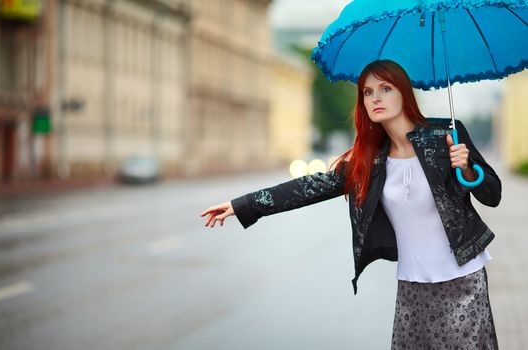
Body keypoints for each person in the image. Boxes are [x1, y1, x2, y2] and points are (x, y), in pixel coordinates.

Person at [200, 59, 501, 349]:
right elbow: (307, 187)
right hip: (412, 287)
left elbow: (493, 193)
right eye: (368, 92)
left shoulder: (446, 135)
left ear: (404, 93)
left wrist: (468, 170)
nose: (375, 98)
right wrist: (242, 205)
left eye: (385, 89)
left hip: (463, 281)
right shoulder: (370, 160)